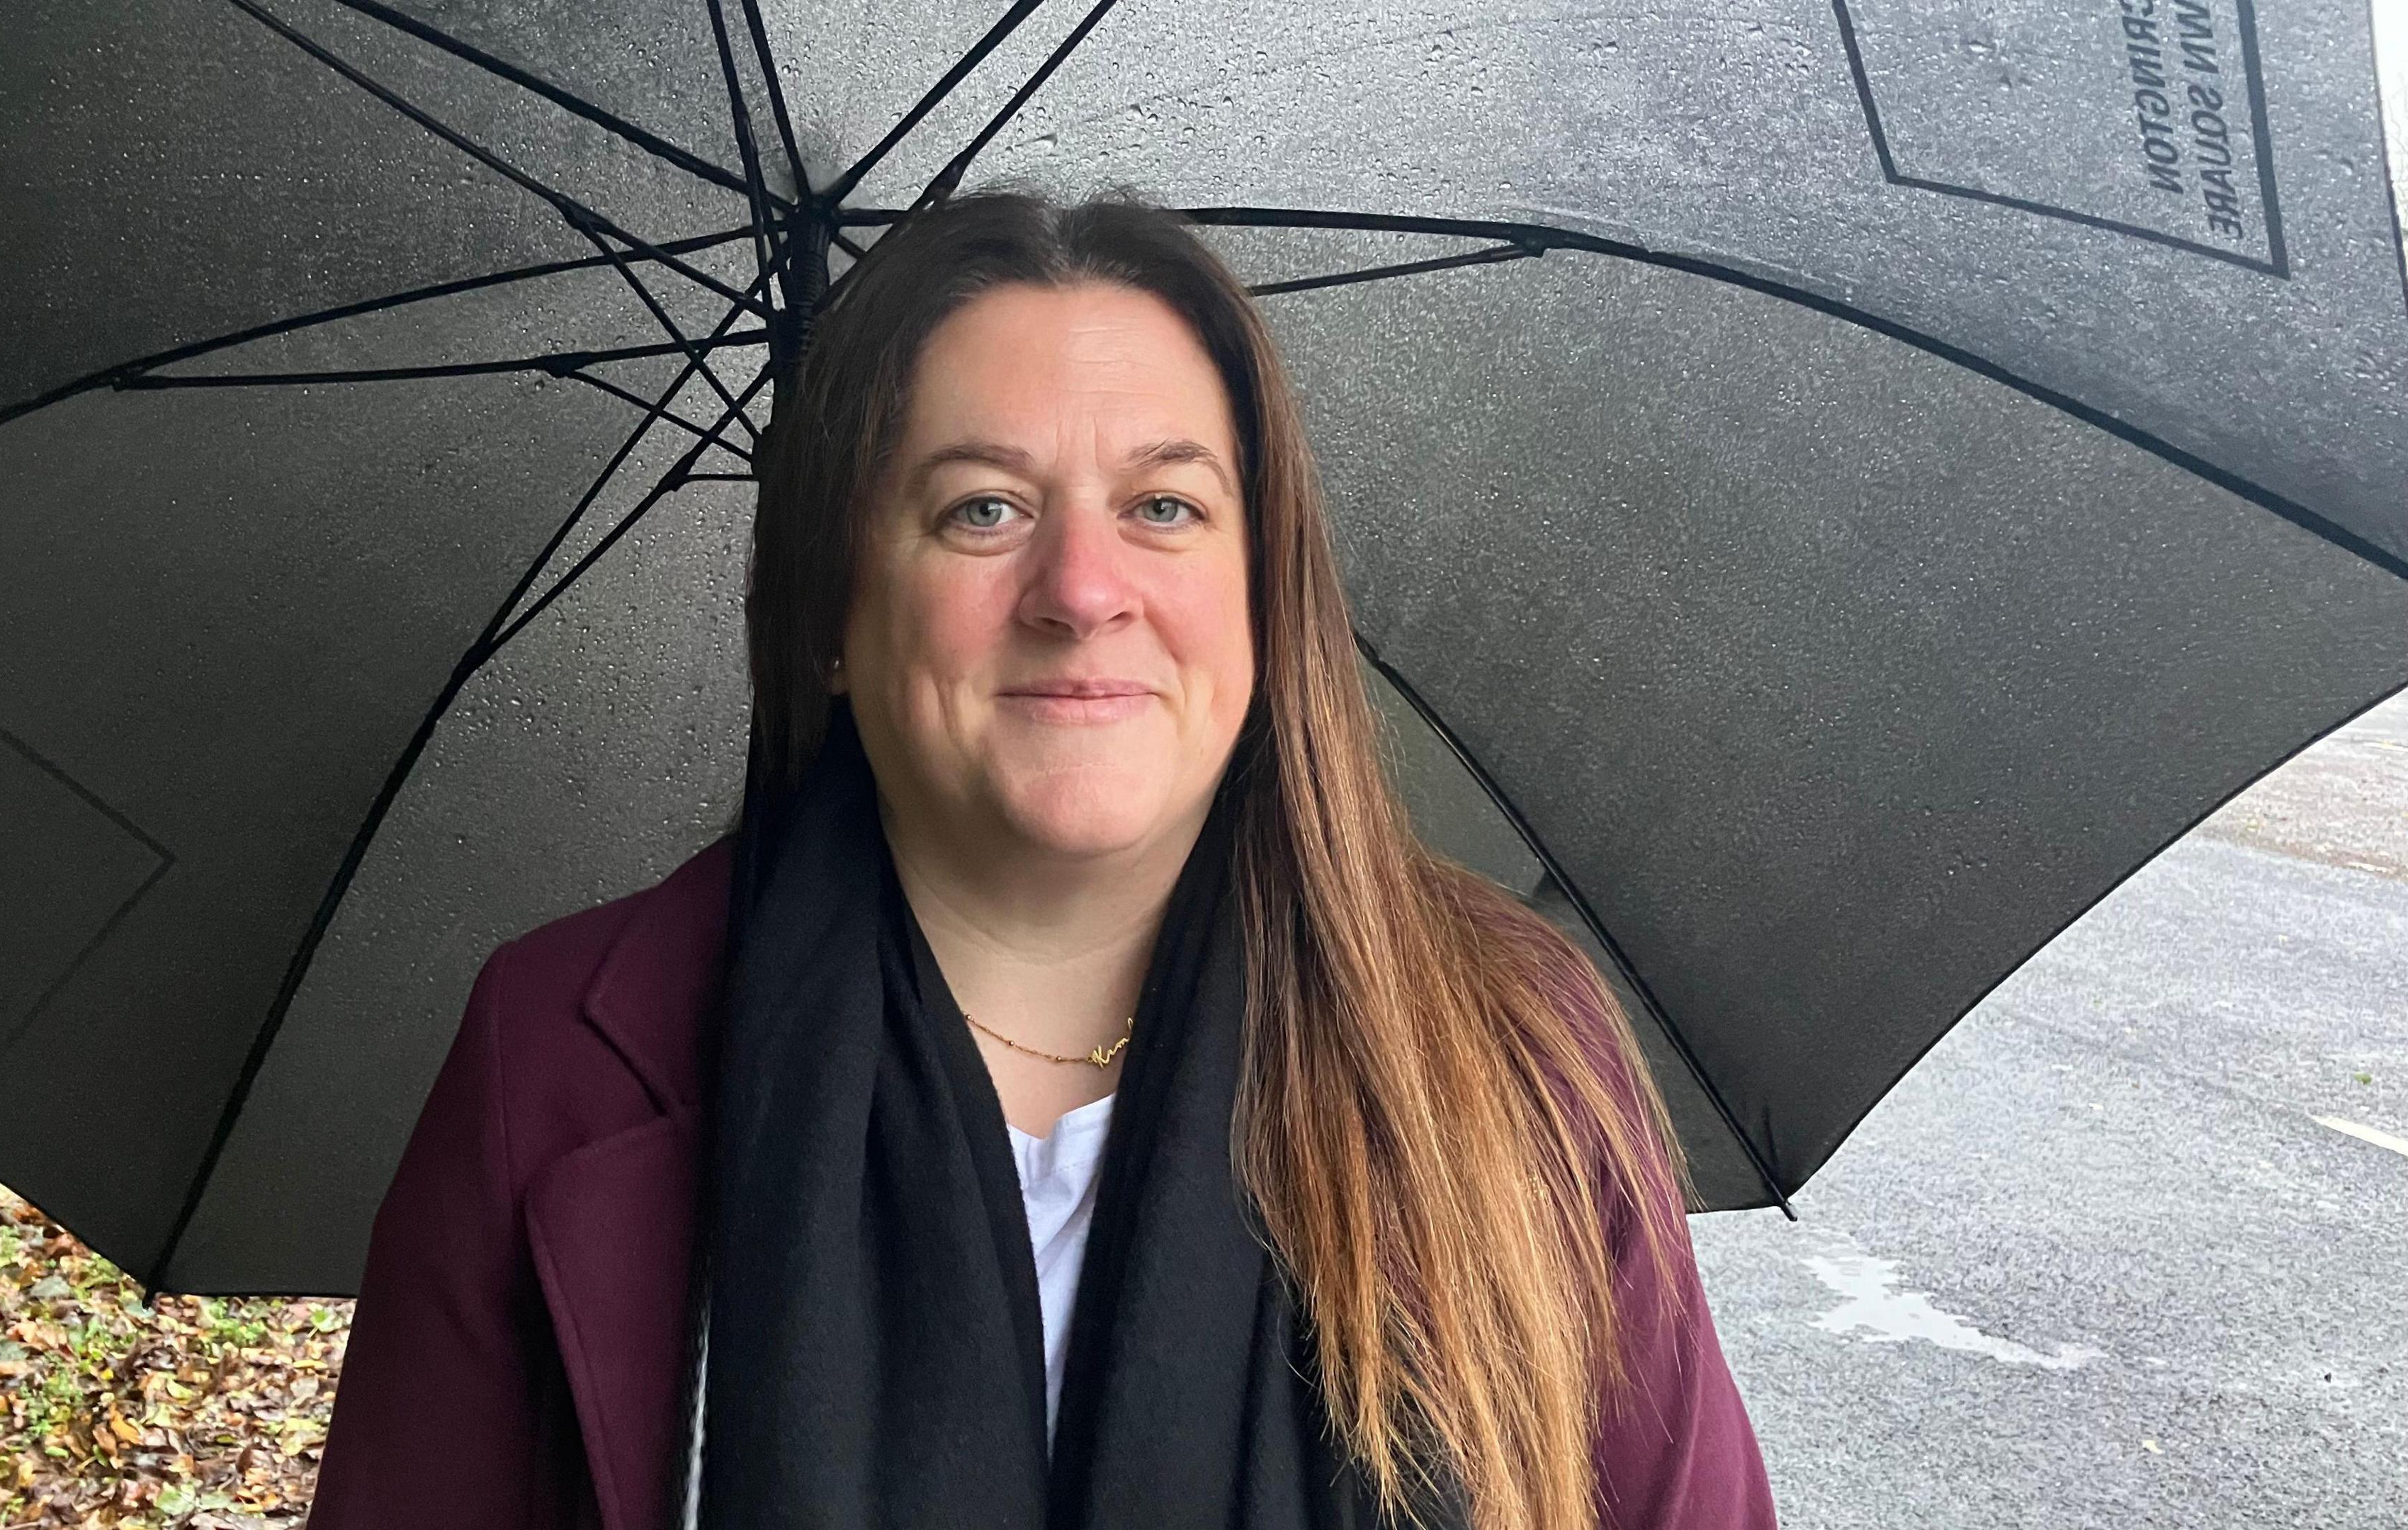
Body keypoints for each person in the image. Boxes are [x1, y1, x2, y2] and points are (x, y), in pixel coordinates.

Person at [304, 187, 1775, 1530]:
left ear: (1264, 590)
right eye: (981, 509)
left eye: (1165, 507)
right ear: (832, 610)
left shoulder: (1502, 1045)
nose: (1082, 590)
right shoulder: (556, 1059)